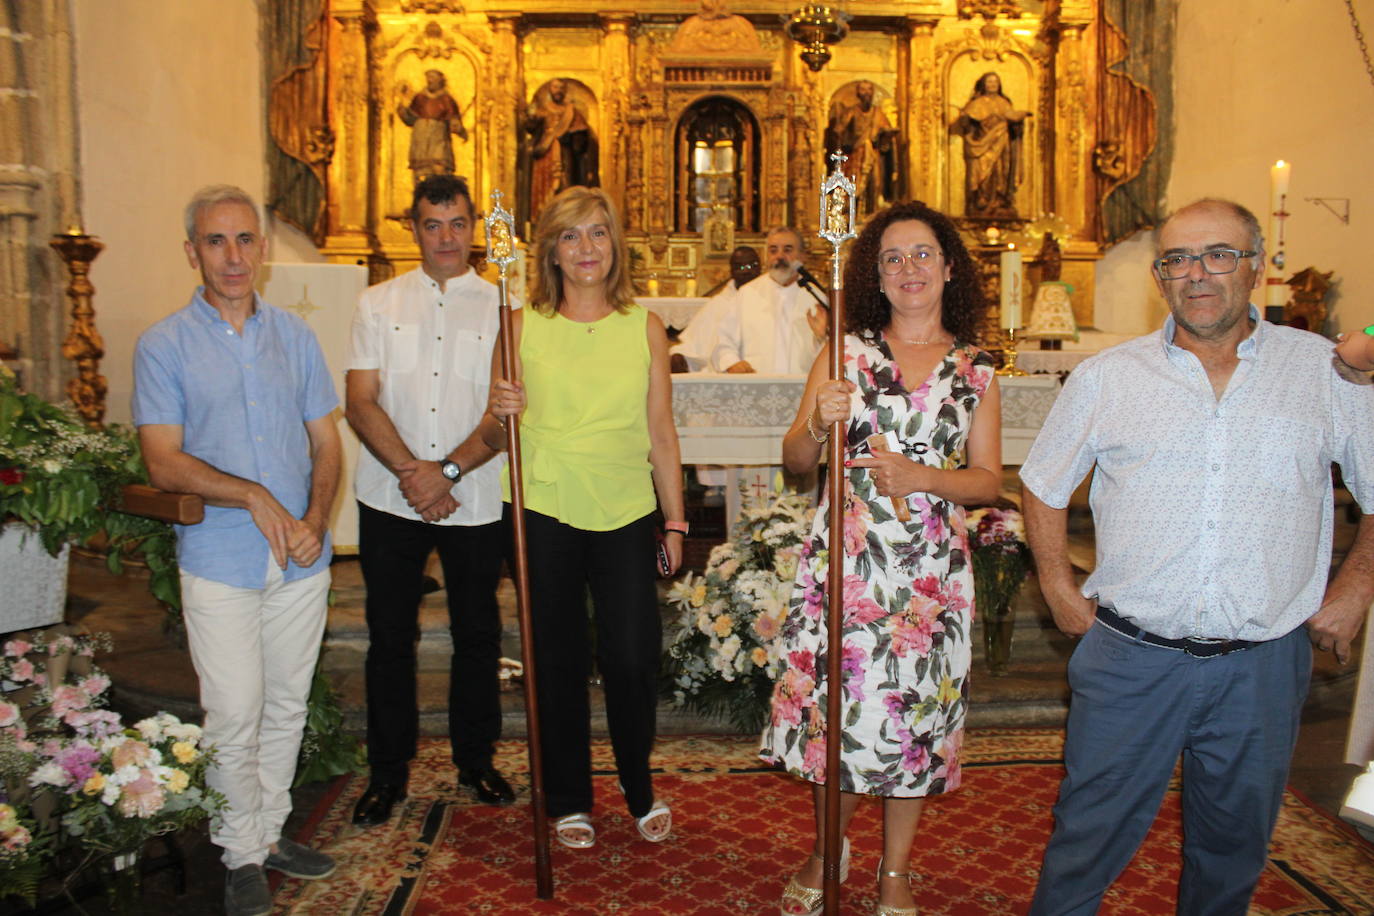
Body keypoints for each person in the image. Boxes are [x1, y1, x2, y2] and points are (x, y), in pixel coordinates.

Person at [1019, 199, 1374, 915]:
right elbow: (1041, 482)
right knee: (1085, 841)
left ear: (1256, 266)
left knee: (1232, 851)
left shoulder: (1325, 373)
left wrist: (1355, 587)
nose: (1197, 274)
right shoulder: (1108, 376)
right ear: (1160, 277)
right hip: (1131, 659)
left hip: (1263, 664)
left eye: (1217, 254)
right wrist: (1058, 585)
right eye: (1178, 260)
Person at [760, 201, 1002, 916]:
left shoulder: (977, 369)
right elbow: (796, 461)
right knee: (836, 719)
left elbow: (989, 480)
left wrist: (925, 477)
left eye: (922, 253)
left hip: (928, 578)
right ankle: (825, 849)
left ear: (948, 265)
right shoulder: (844, 350)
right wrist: (817, 421)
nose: (909, 268)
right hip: (848, 565)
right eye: (893, 258)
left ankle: (893, 872)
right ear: (877, 274)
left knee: (912, 725)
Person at [133, 186, 342, 916]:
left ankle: (271, 832)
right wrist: (254, 496)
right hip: (220, 557)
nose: (234, 256)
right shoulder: (163, 345)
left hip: (300, 556)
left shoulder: (295, 337)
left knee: (286, 704)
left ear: (264, 250)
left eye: (246, 240)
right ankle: (239, 852)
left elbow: (324, 441)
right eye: (217, 241)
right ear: (192, 252)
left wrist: (315, 516)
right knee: (233, 711)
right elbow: (162, 460)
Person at [480, 186, 686, 851]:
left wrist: (676, 522)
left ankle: (637, 784)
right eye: (571, 236)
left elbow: (661, 432)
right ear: (550, 250)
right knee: (556, 659)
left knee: (631, 657)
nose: (586, 248)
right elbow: (492, 428)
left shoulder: (644, 327)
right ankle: (568, 797)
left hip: (624, 505)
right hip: (543, 503)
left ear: (615, 243)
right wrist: (500, 408)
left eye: (598, 233)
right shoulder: (519, 324)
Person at [343, 174, 515, 828]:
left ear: (474, 227)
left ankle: (477, 760)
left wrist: (443, 471)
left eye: (457, 224)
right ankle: (387, 774)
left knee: (477, 633)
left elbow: (504, 416)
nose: (446, 237)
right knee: (390, 638)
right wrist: (413, 473)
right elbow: (360, 400)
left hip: (472, 496)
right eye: (432, 224)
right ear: (413, 229)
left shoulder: (504, 306)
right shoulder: (377, 303)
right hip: (389, 496)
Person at [711, 227, 828, 374]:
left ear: (802, 256)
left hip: (803, 385)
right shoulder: (747, 293)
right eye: (773, 250)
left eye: (788, 250)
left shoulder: (816, 296)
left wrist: (821, 337)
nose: (779, 256)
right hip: (756, 385)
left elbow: (832, 352)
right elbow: (724, 340)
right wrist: (732, 363)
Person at [949, 72, 1031, 218]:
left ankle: (999, 201)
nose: (992, 84)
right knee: (982, 174)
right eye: (989, 82)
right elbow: (966, 125)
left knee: (1000, 172)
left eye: (995, 82)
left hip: (1001, 144)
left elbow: (1012, 120)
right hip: (981, 145)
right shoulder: (976, 104)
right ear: (983, 84)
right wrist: (965, 119)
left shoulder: (1004, 102)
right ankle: (981, 200)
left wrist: (1019, 122)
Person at [673, 244, 761, 373]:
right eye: (740, 267)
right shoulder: (719, 304)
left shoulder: (770, 302)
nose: (746, 271)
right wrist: (679, 356)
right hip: (720, 370)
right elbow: (693, 346)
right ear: (731, 271)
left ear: (760, 267)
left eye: (751, 265)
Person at [525, 78, 599, 223]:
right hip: (544, 154)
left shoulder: (571, 112)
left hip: (565, 156)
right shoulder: (542, 109)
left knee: (563, 186)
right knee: (544, 188)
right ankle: (542, 221)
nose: (558, 90)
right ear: (549, 90)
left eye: (560, 88)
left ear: (564, 91)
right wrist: (531, 118)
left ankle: (565, 220)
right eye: (555, 87)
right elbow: (530, 129)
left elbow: (581, 139)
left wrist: (569, 137)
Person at [825, 80, 898, 214]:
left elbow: (886, 134)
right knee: (855, 187)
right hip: (855, 157)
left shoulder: (878, 113)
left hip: (873, 157)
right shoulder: (851, 112)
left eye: (869, 90)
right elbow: (838, 132)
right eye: (863, 90)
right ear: (858, 93)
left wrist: (886, 135)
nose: (867, 93)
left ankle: (871, 216)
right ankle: (853, 216)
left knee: (874, 186)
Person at [398, 69, 467, 180]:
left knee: (439, 167)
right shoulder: (419, 98)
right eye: (428, 78)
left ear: (440, 81)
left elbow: (453, 119)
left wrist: (457, 127)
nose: (430, 81)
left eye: (433, 78)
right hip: (420, 137)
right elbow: (411, 119)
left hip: (438, 137)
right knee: (420, 170)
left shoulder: (447, 99)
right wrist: (402, 111)